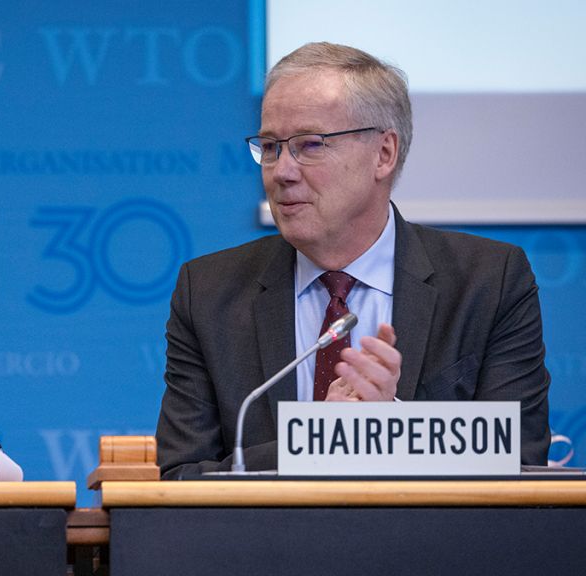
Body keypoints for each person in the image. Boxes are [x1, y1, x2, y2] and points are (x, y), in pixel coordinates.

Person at [156, 42, 550, 477]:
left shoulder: (488, 283)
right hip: (266, 545)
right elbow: (180, 477)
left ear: (383, 154)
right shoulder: (209, 293)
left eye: (309, 145)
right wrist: (315, 442)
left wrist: (391, 428)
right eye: (270, 147)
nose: (282, 171)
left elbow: (520, 465)